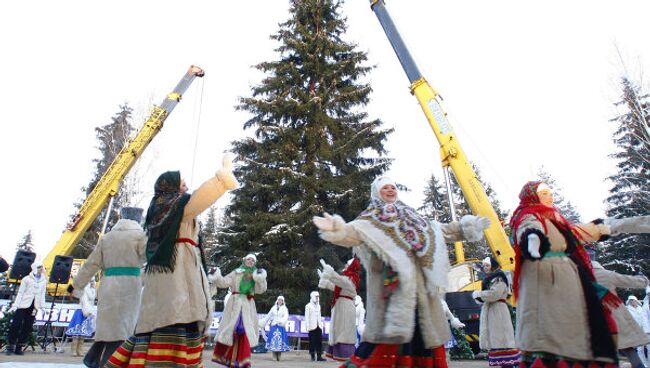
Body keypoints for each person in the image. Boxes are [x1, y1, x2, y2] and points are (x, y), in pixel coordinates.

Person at [313, 176, 490, 368]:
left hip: (421, 294)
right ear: (376, 193)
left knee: (423, 343)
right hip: (391, 296)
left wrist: (465, 228)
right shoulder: (370, 219)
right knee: (386, 344)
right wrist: (338, 229)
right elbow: (352, 233)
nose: (390, 190)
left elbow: (441, 231)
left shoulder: (413, 218)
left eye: (393, 187)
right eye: (385, 188)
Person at [106, 154, 239, 368]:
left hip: (173, 274)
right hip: (176, 276)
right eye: (182, 185)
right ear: (171, 188)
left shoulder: (162, 208)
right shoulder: (173, 205)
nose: (185, 188)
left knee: (169, 321)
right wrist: (221, 180)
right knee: (174, 321)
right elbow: (198, 200)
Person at [510, 180, 650, 367]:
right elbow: (527, 228)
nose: (550, 196)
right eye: (544, 192)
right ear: (531, 195)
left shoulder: (556, 218)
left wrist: (601, 229)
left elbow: (576, 232)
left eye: (550, 192)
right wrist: (532, 239)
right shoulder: (528, 214)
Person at [68, 206, 146, 368]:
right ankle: (111, 361)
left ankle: (96, 357)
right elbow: (150, 257)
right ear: (138, 219)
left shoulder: (107, 238)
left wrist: (76, 286)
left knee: (109, 327)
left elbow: (91, 264)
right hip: (130, 284)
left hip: (108, 284)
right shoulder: (140, 236)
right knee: (125, 327)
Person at [591, 251, 650, 368]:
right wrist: (644, 280)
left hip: (592, 319)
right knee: (628, 348)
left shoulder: (577, 276)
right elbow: (630, 281)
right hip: (614, 317)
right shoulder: (607, 274)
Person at [210, 253, 268, 367]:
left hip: (248, 305)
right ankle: (230, 360)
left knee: (245, 332)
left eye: (253, 260)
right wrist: (216, 275)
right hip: (234, 304)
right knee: (231, 331)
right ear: (245, 260)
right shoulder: (236, 272)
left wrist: (261, 279)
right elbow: (224, 282)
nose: (250, 261)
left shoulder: (256, 274)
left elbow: (261, 290)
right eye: (249, 259)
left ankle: (242, 362)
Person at [472, 256, 519, 367]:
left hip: (498, 311)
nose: (485, 268)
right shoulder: (492, 278)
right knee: (498, 341)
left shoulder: (499, 278)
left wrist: (479, 294)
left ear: (493, 265)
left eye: (487, 265)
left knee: (502, 340)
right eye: (484, 266)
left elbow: (494, 294)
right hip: (493, 310)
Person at [318, 258, 361, 361]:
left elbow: (340, 281)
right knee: (339, 331)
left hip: (346, 307)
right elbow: (335, 286)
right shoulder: (348, 278)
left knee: (343, 332)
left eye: (348, 264)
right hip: (341, 306)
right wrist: (324, 278)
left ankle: (346, 355)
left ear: (352, 266)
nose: (345, 265)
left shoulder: (351, 279)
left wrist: (330, 273)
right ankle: (340, 355)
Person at [5, 262, 47, 355]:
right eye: (39, 267)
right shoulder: (26, 279)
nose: (41, 269)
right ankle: (11, 346)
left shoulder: (44, 281)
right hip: (22, 305)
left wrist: (43, 306)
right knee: (16, 325)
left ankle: (19, 347)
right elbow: (20, 293)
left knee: (27, 327)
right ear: (35, 268)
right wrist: (15, 305)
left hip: (34, 306)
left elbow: (42, 294)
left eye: (42, 267)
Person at [65, 279, 96, 357]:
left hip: (89, 312)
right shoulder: (84, 291)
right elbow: (84, 301)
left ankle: (80, 350)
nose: (93, 283)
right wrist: (87, 311)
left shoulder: (93, 291)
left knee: (83, 333)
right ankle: (73, 350)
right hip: (81, 311)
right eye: (91, 281)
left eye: (93, 281)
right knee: (77, 332)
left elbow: (92, 301)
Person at [260, 295, 291, 361]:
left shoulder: (285, 309)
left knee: (280, 341)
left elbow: (286, 316)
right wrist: (263, 322)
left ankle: (279, 355)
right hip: (274, 326)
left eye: (281, 300)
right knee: (273, 341)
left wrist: (281, 321)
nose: (280, 301)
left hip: (280, 326)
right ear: (277, 300)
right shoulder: (273, 308)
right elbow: (268, 315)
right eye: (279, 300)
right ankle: (274, 355)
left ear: (283, 301)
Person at [628, 295, 650, 366]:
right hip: (636, 331)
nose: (633, 301)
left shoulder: (641, 308)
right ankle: (643, 364)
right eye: (631, 300)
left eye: (633, 300)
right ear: (629, 301)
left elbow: (645, 319)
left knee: (649, 347)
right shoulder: (628, 310)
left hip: (645, 330)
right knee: (640, 349)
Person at [305, 290, 325, 362]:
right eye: (316, 296)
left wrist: (321, 324)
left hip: (318, 326)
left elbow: (319, 316)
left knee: (319, 341)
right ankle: (312, 356)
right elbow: (306, 317)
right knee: (312, 341)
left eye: (318, 296)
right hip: (311, 326)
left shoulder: (318, 305)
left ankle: (319, 356)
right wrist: (307, 326)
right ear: (313, 297)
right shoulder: (308, 306)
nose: (317, 298)